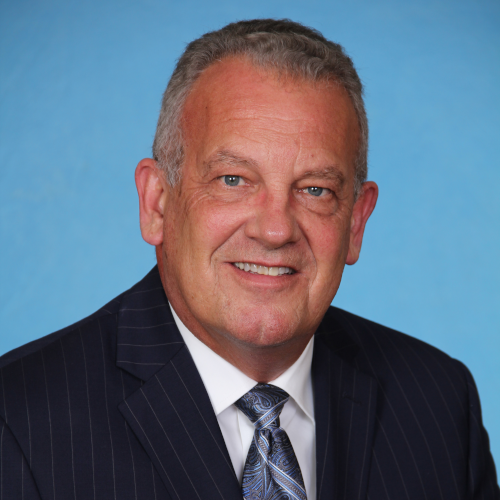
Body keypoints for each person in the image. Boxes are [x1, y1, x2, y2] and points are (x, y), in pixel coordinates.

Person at [0, 18, 497, 500]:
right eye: (233, 180)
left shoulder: (438, 402)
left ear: (356, 221)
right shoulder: (19, 419)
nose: (276, 229)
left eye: (316, 189)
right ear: (157, 202)